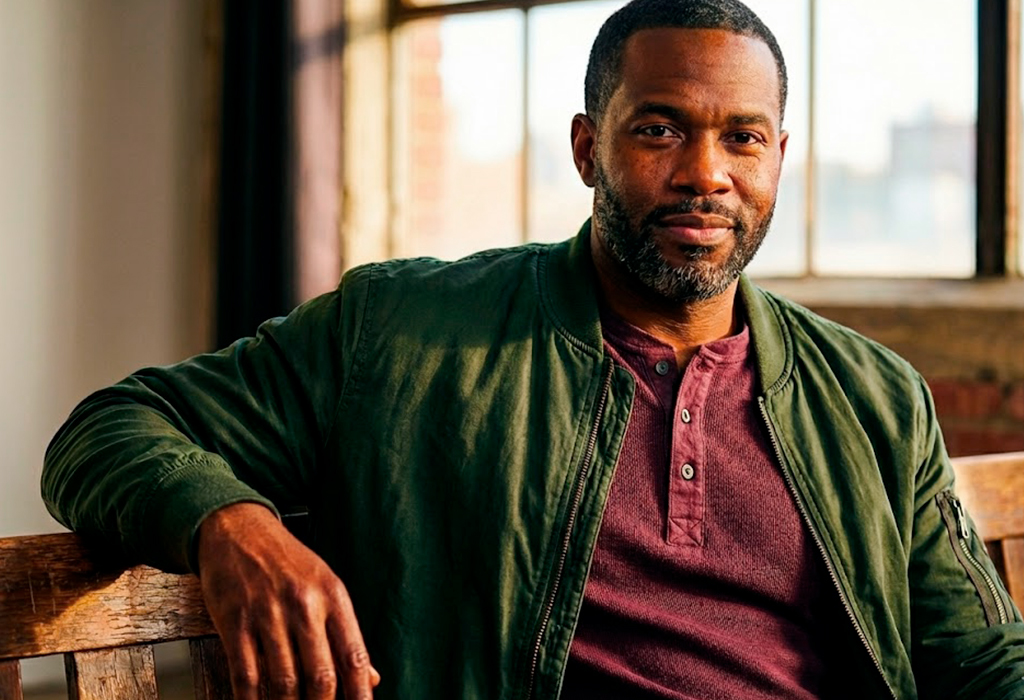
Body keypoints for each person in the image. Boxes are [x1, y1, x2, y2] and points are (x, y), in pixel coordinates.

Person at [41, 0, 1024, 697]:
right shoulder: (407, 333)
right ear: (588, 148)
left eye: (743, 138)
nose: (704, 174)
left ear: (777, 155)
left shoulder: (872, 395)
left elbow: (977, 661)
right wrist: (232, 524)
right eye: (659, 129)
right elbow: (106, 429)